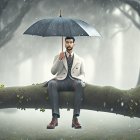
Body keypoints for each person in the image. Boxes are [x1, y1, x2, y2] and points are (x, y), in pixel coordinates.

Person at [46, 36, 86, 129]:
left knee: (79, 84)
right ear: (64, 43)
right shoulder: (58, 56)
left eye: (71, 42)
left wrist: (78, 79)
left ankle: (75, 118)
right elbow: (53, 72)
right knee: (51, 84)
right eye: (67, 42)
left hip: (73, 82)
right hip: (61, 81)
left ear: (74, 44)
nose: (69, 44)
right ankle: (54, 118)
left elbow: (83, 74)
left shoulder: (80, 59)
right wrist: (59, 59)